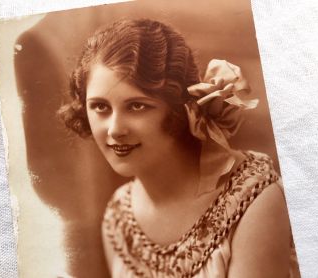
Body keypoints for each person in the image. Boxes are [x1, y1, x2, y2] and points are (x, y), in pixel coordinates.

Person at [59, 19, 300, 278]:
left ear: (178, 110)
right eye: (100, 107)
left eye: (137, 106)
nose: (115, 129)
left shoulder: (255, 200)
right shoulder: (118, 219)